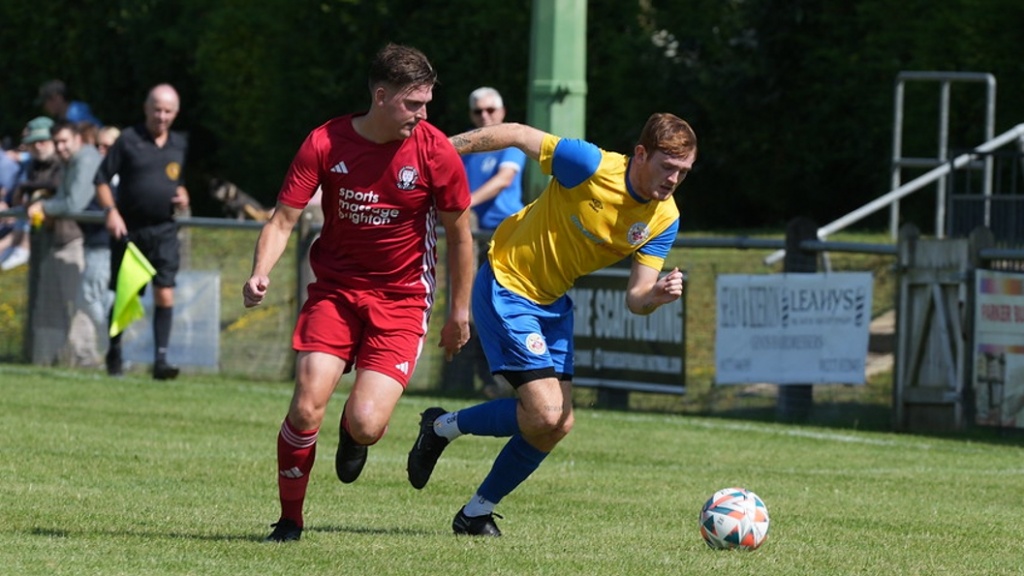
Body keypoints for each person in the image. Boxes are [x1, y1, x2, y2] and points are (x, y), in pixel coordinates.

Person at [406, 112, 696, 536]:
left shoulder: (664, 219)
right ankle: (440, 427)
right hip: (507, 282)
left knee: (558, 424)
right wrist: (442, 148)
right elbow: (518, 135)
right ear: (640, 154)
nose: (673, 179)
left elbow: (636, 299)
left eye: (683, 172)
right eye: (667, 167)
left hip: (552, 302)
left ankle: (474, 512)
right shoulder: (590, 165)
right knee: (543, 411)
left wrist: (657, 296)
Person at [242, 42, 474, 544]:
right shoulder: (325, 142)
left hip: (402, 300)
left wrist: (459, 312)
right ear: (381, 95)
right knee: (305, 406)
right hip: (335, 291)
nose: (423, 114)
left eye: (428, 103)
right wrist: (261, 270)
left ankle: (353, 434)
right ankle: (289, 521)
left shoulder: (435, 152)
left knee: (368, 424)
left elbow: (460, 236)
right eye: (414, 103)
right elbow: (282, 220)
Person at [93, 84, 190, 380]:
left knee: (165, 291)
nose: (161, 116)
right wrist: (111, 212)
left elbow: (178, 181)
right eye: (157, 109)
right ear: (147, 108)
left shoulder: (179, 144)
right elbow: (101, 180)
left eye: (168, 111)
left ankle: (161, 361)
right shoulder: (128, 140)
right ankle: (115, 352)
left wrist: (183, 195)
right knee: (125, 295)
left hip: (164, 229)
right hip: (130, 230)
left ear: (175, 113)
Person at [452, 86, 527, 398]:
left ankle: (515, 377)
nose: (485, 116)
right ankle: (490, 379)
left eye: (491, 110)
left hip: (510, 236)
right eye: (478, 111)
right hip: (479, 236)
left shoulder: (510, 141)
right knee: (477, 309)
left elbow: (503, 180)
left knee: (506, 307)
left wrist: (464, 203)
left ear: (502, 112)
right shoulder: (470, 146)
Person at [26, 120, 103, 366]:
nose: (60, 147)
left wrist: (43, 206)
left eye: (64, 141)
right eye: (56, 142)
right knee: (58, 303)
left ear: (77, 139)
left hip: (85, 241)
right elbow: (63, 198)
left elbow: (74, 204)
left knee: (80, 303)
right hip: (64, 242)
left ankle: (87, 359)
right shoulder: (70, 162)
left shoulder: (86, 159)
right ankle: (48, 359)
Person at [78, 126, 120, 360]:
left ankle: (114, 343)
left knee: (88, 296)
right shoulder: (97, 173)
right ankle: (115, 347)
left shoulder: (120, 178)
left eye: (107, 146)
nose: (101, 150)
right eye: (98, 146)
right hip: (95, 243)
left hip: (106, 245)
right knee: (100, 299)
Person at [1, 117, 64, 272]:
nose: (38, 146)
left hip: (62, 240)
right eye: (33, 142)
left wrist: (25, 188)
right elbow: (18, 200)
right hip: (35, 237)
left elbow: (57, 188)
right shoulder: (31, 165)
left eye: (42, 141)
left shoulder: (64, 163)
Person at [37, 79, 103, 126]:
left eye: (46, 102)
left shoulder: (80, 113)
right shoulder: (60, 118)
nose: (45, 107)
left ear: (58, 98)